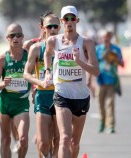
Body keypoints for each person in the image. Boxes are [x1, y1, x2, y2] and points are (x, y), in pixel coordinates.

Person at [43, 6, 99, 158]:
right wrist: (47, 71)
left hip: (81, 97)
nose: (69, 21)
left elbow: (96, 71)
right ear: (61, 21)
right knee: (65, 139)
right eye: (66, 19)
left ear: (77, 21)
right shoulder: (53, 41)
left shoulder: (87, 43)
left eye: (72, 18)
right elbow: (47, 54)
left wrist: (79, 61)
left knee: (74, 143)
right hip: (62, 94)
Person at [23, 13, 60, 158]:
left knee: (58, 140)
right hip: (42, 96)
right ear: (42, 28)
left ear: (59, 27)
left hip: (61, 96)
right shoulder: (36, 48)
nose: (52, 29)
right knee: (43, 142)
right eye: (49, 26)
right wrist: (40, 83)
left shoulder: (65, 47)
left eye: (55, 26)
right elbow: (26, 74)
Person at [0, 23, 30, 158]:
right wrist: (3, 83)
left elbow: (37, 75)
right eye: (12, 35)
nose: (16, 38)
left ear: (22, 37)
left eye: (18, 35)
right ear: (7, 38)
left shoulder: (30, 57)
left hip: (21, 104)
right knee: (5, 139)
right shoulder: (2, 60)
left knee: (23, 139)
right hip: (5, 104)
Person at [96, 31, 124, 134]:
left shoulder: (116, 50)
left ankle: (110, 125)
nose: (105, 39)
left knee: (110, 103)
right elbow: (93, 63)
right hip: (100, 80)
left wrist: (115, 59)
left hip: (111, 80)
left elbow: (122, 64)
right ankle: (102, 122)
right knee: (100, 104)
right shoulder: (98, 49)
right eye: (103, 37)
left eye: (107, 37)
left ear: (110, 37)